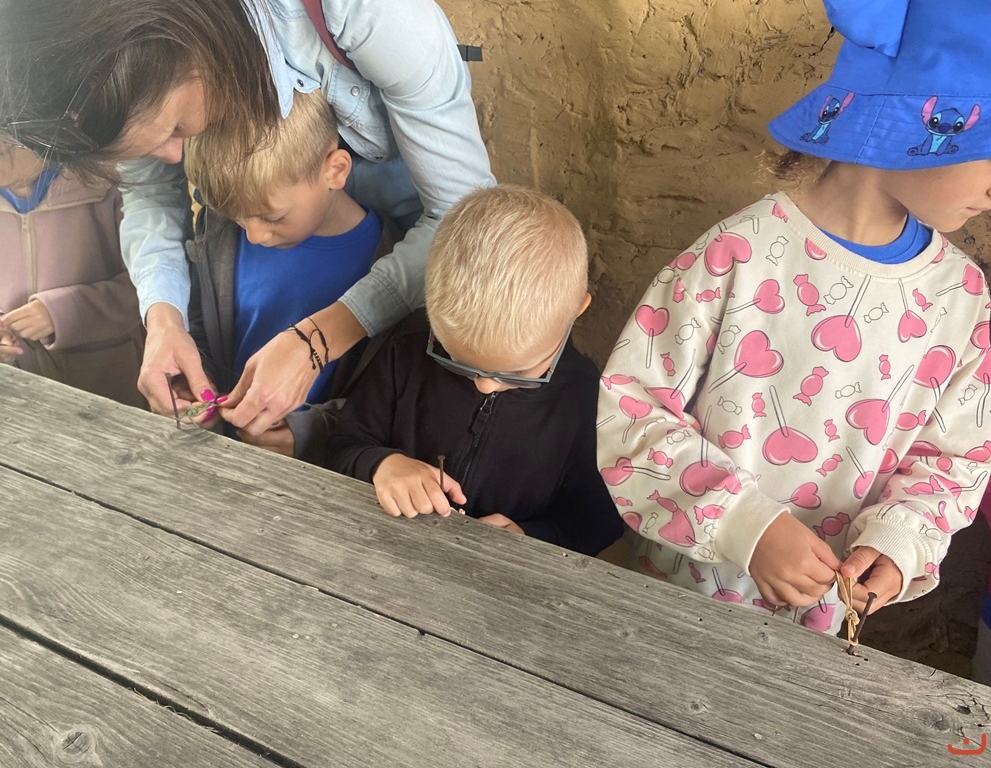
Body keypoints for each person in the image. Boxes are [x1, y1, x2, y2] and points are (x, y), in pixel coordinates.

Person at [597, 0, 991, 634]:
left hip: (817, 635)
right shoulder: (739, 254)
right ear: (908, 123)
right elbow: (632, 409)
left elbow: (956, 457)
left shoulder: (963, 298)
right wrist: (743, 525)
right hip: (673, 607)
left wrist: (899, 540)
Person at [0, 0, 494, 435]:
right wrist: (164, 320)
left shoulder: (366, 12)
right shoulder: (111, 81)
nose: (175, 158)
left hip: (412, 283)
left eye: (176, 128)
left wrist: (319, 341)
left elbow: (463, 223)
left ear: (178, 42)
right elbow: (151, 195)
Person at [328, 186, 624, 557]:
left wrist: (533, 536)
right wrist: (383, 465)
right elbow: (343, 445)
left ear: (575, 310)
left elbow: (600, 518)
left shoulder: (584, 399)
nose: (485, 386)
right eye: (456, 361)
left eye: (518, 372)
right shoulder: (405, 352)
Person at [182, 87, 396, 461]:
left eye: (273, 217)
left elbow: (390, 400)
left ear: (335, 171)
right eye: (235, 216)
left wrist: (311, 432)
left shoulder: (389, 265)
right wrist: (193, 381)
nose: (254, 235)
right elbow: (201, 323)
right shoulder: (222, 238)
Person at [0, 129, 145, 407]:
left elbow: (144, 287)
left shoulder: (109, 186)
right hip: (17, 391)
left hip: (111, 382)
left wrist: (63, 313)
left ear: (45, 133)